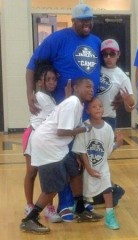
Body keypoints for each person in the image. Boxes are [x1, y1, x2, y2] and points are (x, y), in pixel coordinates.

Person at [26, 2, 101, 221]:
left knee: (78, 162)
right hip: (65, 115)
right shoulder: (57, 39)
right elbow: (32, 65)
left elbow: (100, 72)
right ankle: (63, 205)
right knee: (62, 164)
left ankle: (80, 203)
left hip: (83, 111)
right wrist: (30, 92)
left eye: (90, 20)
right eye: (82, 20)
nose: (87, 24)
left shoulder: (96, 42)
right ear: (73, 21)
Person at [20, 78, 103, 234]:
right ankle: (30, 219)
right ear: (76, 88)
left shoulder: (78, 104)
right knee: (54, 187)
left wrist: (78, 151)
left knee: (75, 169)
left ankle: (80, 209)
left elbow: (69, 130)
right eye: (87, 86)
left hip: (58, 145)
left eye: (92, 87)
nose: (91, 89)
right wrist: (84, 129)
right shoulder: (72, 103)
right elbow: (62, 131)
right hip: (47, 144)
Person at [72, 98, 123, 230]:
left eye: (100, 106)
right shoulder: (85, 127)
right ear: (88, 110)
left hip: (102, 166)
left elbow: (107, 150)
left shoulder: (107, 129)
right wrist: (88, 168)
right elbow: (82, 151)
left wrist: (118, 144)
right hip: (87, 167)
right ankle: (78, 207)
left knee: (107, 187)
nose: (98, 109)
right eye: (94, 107)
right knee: (84, 190)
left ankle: (110, 215)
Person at [23, 60, 62, 223]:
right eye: (48, 79)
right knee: (32, 173)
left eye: (54, 79)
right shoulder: (39, 96)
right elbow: (58, 115)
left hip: (43, 139)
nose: (52, 82)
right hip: (33, 136)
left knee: (47, 174)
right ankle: (30, 205)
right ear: (40, 82)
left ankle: (49, 207)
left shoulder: (51, 99)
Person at [97, 38, 135, 131]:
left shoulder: (122, 77)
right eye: (105, 54)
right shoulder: (95, 69)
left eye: (112, 54)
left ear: (118, 54)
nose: (108, 57)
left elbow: (129, 108)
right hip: (92, 116)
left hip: (108, 118)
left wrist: (127, 99)